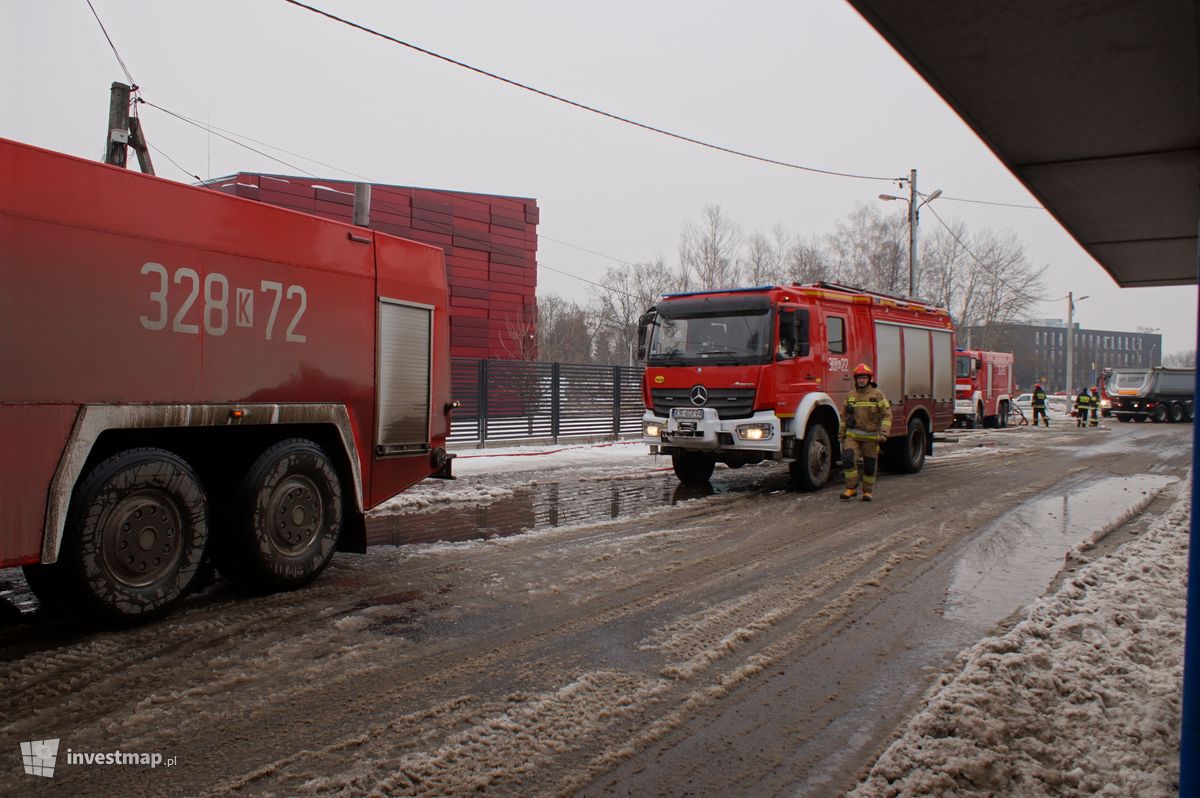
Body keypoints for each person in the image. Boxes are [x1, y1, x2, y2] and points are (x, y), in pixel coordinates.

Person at [839, 363, 891, 502]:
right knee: (848, 458)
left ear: (869, 379)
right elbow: (844, 417)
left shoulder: (877, 395)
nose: (861, 380)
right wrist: (841, 434)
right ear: (855, 379)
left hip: (871, 437)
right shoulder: (850, 395)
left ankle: (867, 492)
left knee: (869, 465)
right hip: (853, 435)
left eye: (864, 377)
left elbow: (887, 415)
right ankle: (851, 488)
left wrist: (884, 433)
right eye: (859, 378)